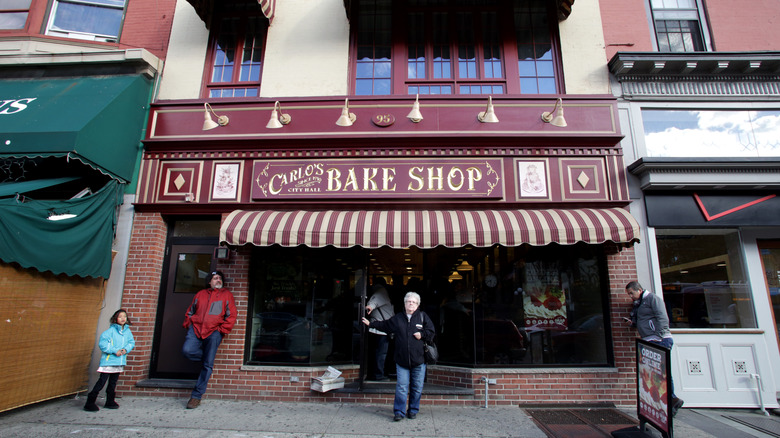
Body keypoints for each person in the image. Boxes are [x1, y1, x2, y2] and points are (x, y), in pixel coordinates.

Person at [362, 292, 435, 421]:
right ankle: (399, 412)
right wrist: (370, 324)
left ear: (418, 304)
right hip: (401, 361)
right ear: (404, 303)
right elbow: (385, 325)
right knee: (401, 387)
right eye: (408, 301)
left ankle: (413, 410)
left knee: (417, 388)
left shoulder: (423, 317)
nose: (411, 304)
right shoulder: (398, 318)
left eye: (413, 302)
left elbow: (431, 332)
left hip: (419, 360)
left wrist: (422, 334)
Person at [626, 280, 684, 417]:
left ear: (639, 289)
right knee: (656, 374)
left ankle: (671, 400)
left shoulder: (653, 299)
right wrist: (633, 323)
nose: (630, 296)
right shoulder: (639, 304)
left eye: (631, 293)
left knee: (662, 372)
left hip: (659, 340)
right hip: (649, 339)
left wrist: (660, 335)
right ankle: (666, 402)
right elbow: (645, 320)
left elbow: (662, 317)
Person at [182, 270, 237, 409]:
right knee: (188, 351)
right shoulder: (200, 294)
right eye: (215, 278)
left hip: (214, 332)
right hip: (196, 329)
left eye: (219, 278)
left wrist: (221, 330)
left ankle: (196, 396)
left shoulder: (226, 295)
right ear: (209, 281)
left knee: (207, 366)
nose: (218, 280)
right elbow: (190, 311)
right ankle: (207, 358)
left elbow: (231, 316)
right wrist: (188, 323)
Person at [84, 309, 135, 412]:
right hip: (109, 361)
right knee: (102, 382)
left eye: (124, 316)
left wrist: (125, 350)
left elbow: (131, 342)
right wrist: (114, 351)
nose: (123, 318)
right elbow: (103, 344)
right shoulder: (110, 331)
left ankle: (110, 401)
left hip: (119, 361)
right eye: (120, 317)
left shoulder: (127, 331)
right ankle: (90, 401)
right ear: (115, 318)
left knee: (113, 383)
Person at [365, 277, 394, 381]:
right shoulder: (381, 291)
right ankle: (378, 375)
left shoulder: (377, 291)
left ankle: (374, 374)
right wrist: (370, 306)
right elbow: (374, 301)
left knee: (376, 353)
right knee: (381, 353)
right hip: (381, 330)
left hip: (376, 329)